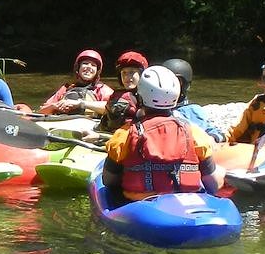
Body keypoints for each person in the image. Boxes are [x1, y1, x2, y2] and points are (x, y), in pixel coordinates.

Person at [100, 65, 220, 206]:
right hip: (189, 203)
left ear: (140, 97)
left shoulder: (124, 134)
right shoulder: (195, 132)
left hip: (138, 206)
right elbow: (213, 184)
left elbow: (108, 181)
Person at [161, 57, 225, 142]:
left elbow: (212, 131)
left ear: (183, 84)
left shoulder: (191, 111)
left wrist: (214, 138)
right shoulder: (154, 109)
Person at [39, 49, 113, 117]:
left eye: (93, 65)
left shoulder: (103, 90)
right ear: (78, 68)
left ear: (97, 71)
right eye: (85, 63)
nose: (89, 67)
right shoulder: (66, 89)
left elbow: (113, 108)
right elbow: (42, 111)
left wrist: (80, 104)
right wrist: (54, 106)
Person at [94, 49, 150, 133]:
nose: (127, 77)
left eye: (132, 72)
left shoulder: (149, 96)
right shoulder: (116, 96)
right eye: (124, 73)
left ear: (141, 75)